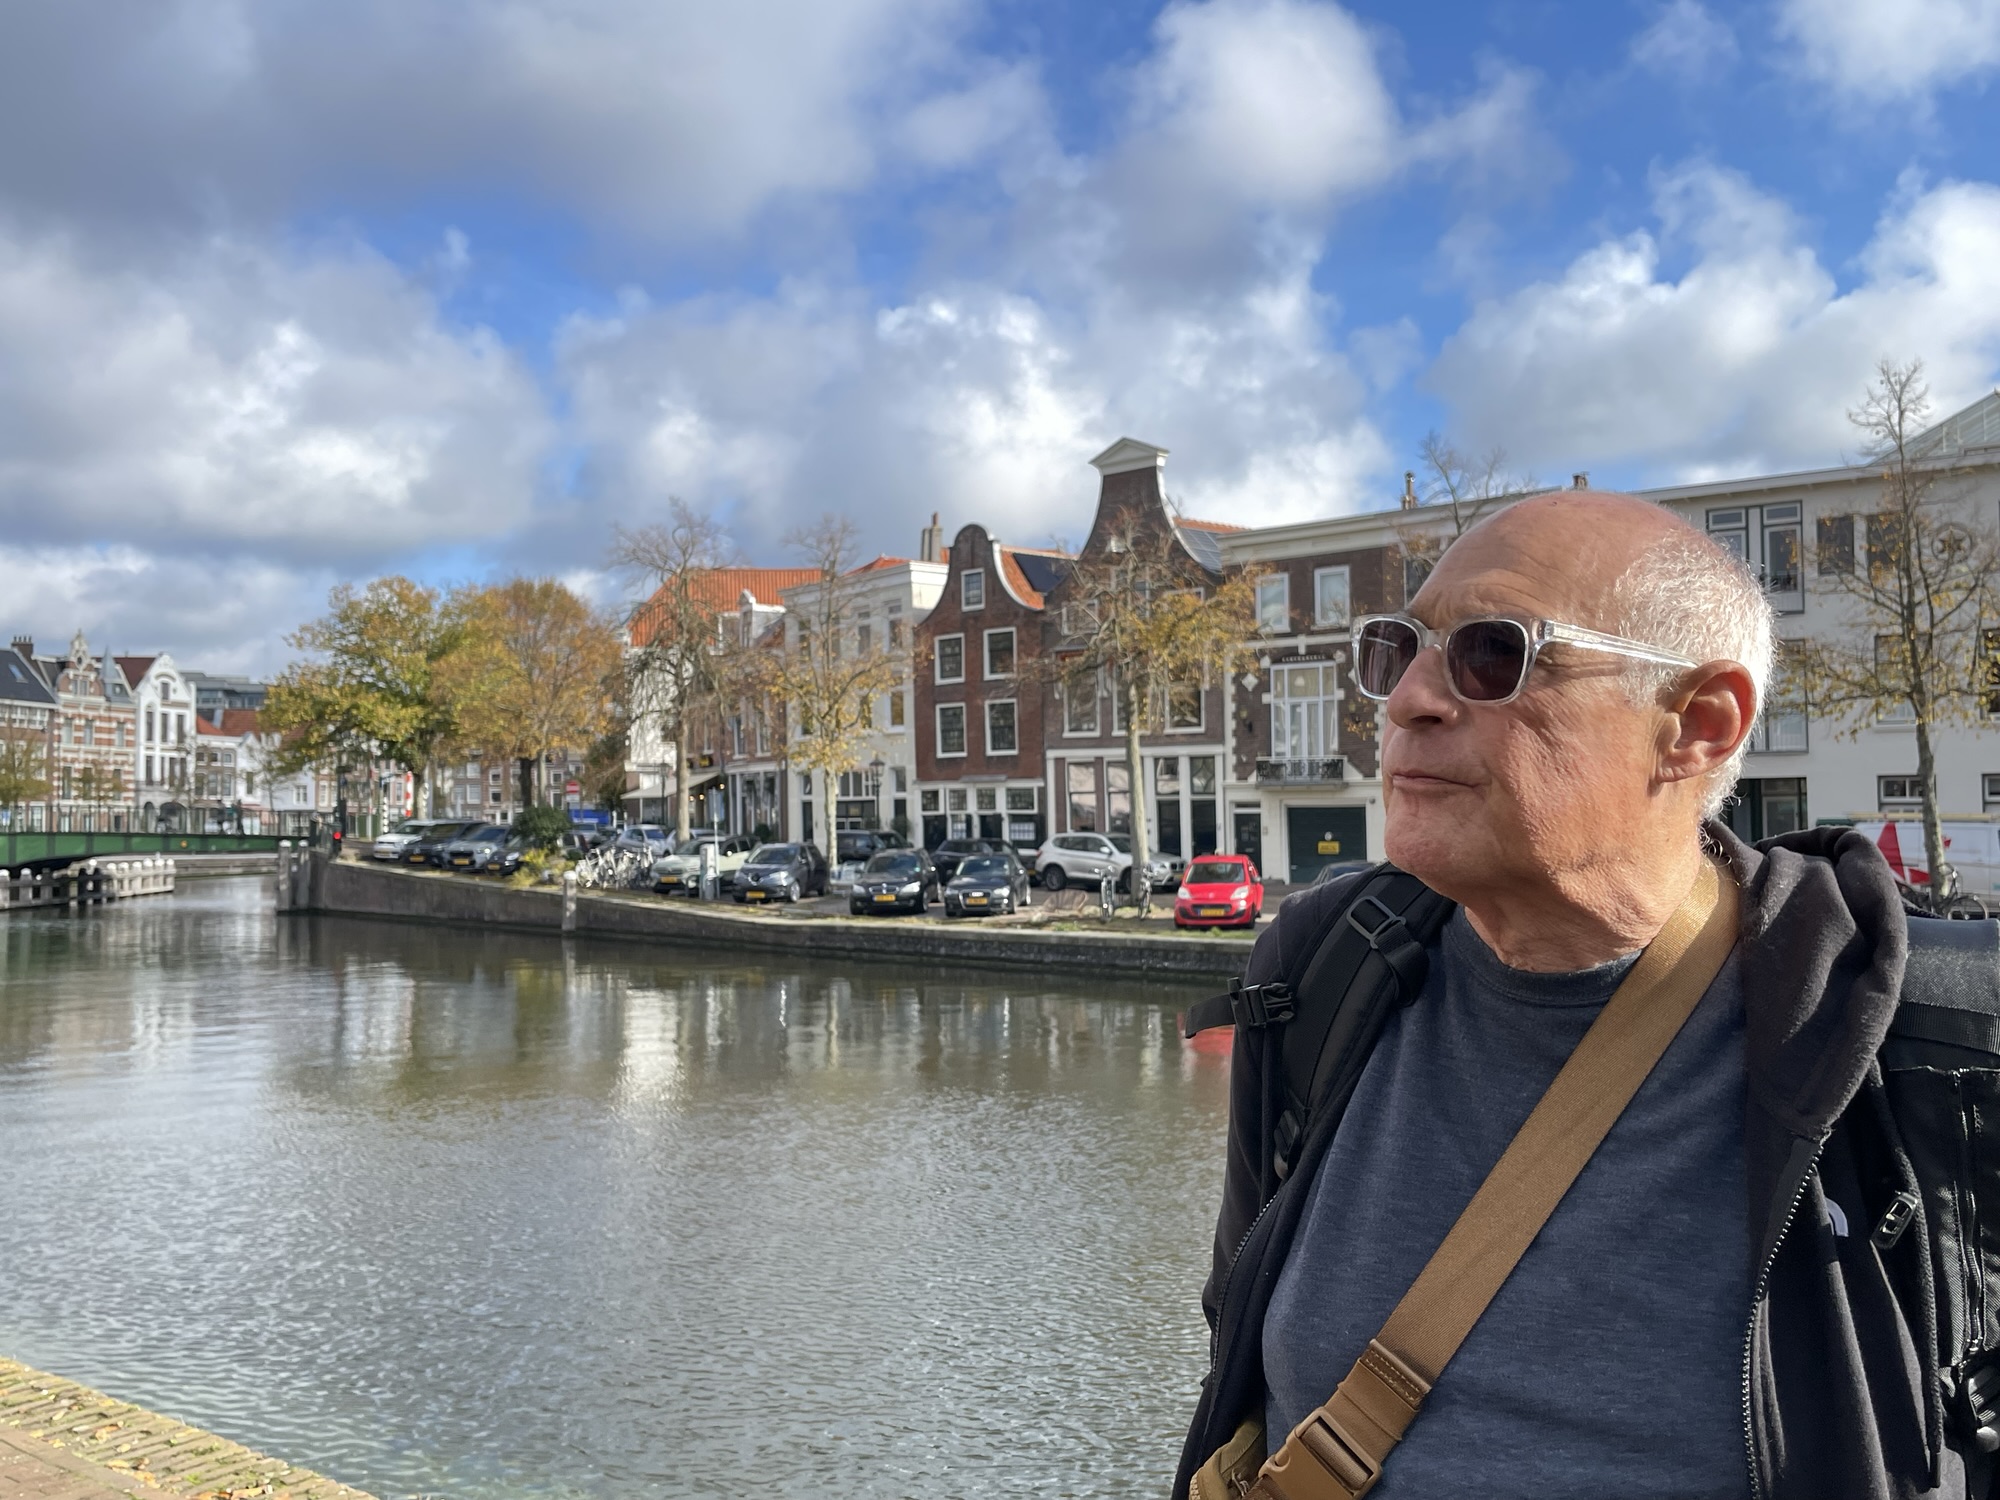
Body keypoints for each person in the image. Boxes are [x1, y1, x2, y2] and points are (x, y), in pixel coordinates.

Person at [1176, 492, 1998, 1499]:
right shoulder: (1320, 970)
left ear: (1695, 726)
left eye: (1491, 654)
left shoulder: (1937, 1041)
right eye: (1397, 650)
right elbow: (1238, 1354)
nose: (1404, 701)